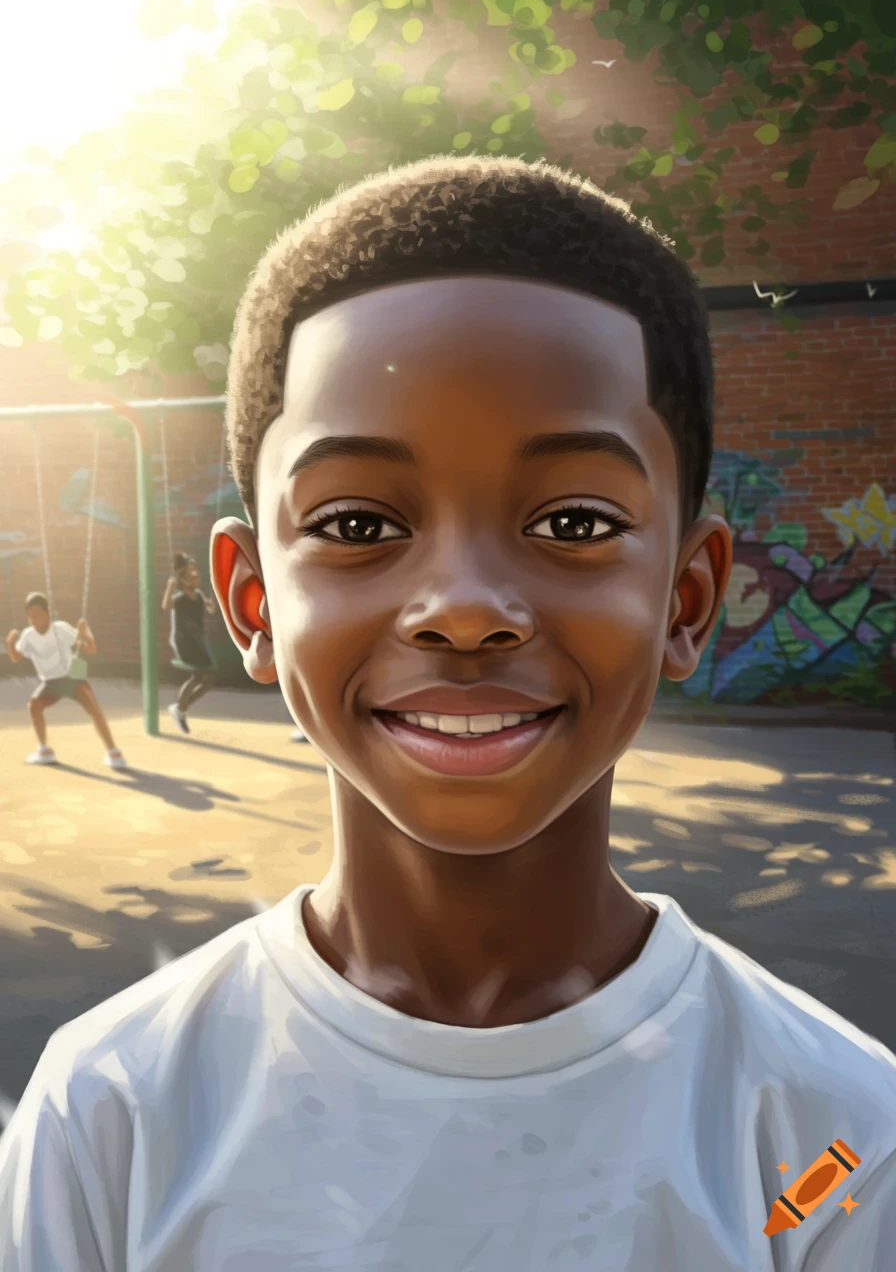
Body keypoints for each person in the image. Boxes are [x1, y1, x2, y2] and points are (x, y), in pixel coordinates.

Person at [1, 156, 894, 1271]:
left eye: (571, 522)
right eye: (359, 523)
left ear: (687, 593)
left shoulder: (838, 1140)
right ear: (250, 599)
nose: (464, 609)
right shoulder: (111, 1109)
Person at [5, 591, 127, 770]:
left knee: (94, 709)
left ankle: (113, 752)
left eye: (38, 615)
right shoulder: (28, 635)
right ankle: (44, 750)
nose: (34, 620)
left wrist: (86, 633)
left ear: (48, 614)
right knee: (33, 705)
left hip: (73, 677)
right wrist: (10, 643)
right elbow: (15, 658)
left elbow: (90, 650)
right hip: (50, 683)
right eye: (30, 616)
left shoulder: (60, 628)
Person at [162, 552, 216, 734]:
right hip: (184, 641)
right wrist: (170, 587)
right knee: (198, 675)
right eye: (192, 574)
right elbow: (166, 606)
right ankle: (179, 709)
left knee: (207, 681)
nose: (197, 576)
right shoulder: (180, 598)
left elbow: (211, 610)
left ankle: (180, 708)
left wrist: (211, 603)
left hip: (197, 641)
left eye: (197, 573)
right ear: (184, 580)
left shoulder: (199, 595)